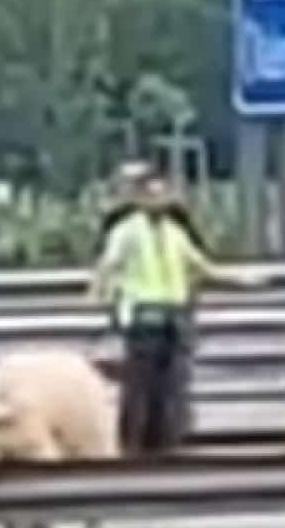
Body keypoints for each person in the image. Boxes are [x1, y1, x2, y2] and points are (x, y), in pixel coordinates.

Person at [90, 173, 256, 456]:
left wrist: (241, 280)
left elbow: (200, 267)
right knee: (140, 385)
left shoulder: (174, 233)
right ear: (139, 199)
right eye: (151, 194)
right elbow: (108, 265)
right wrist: (100, 294)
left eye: (162, 194)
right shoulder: (127, 231)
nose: (158, 201)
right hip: (143, 316)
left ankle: (166, 442)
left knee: (172, 385)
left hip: (174, 317)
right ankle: (135, 443)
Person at [97, 159, 206, 255]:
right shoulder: (115, 218)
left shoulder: (175, 214)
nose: (131, 187)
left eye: (139, 181)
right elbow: (103, 255)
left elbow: (198, 251)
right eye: (126, 182)